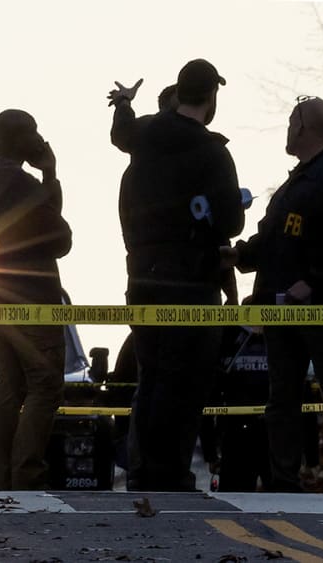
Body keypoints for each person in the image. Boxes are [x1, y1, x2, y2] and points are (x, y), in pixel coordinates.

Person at [118, 59, 245, 491]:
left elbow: (121, 134)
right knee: (186, 381)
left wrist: (123, 106)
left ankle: (142, 471)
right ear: (212, 96)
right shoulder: (211, 151)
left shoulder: (145, 137)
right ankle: (170, 472)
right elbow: (230, 222)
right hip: (191, 281)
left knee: (151, 375)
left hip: (142, 275)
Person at [223, 95, 323, 492]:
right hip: (280, 311)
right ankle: (284, 484)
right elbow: (273, 239)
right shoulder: (293, 185)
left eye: (292, 121)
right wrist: (239, 254)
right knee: (282, 401)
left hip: (321, 311)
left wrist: (313, 282)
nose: (288, 129)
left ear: (305, 127)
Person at [0, 109, 73, 490]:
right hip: (30, 297)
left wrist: (46, 179)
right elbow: (59, 236)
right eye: (33, 132)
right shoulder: (20, 184)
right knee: (45, 385)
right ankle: (26, 474)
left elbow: (42, 218)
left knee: (9, 387)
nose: (39, 139)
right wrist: (49, 174)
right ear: (18, 139)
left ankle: (2, 476)